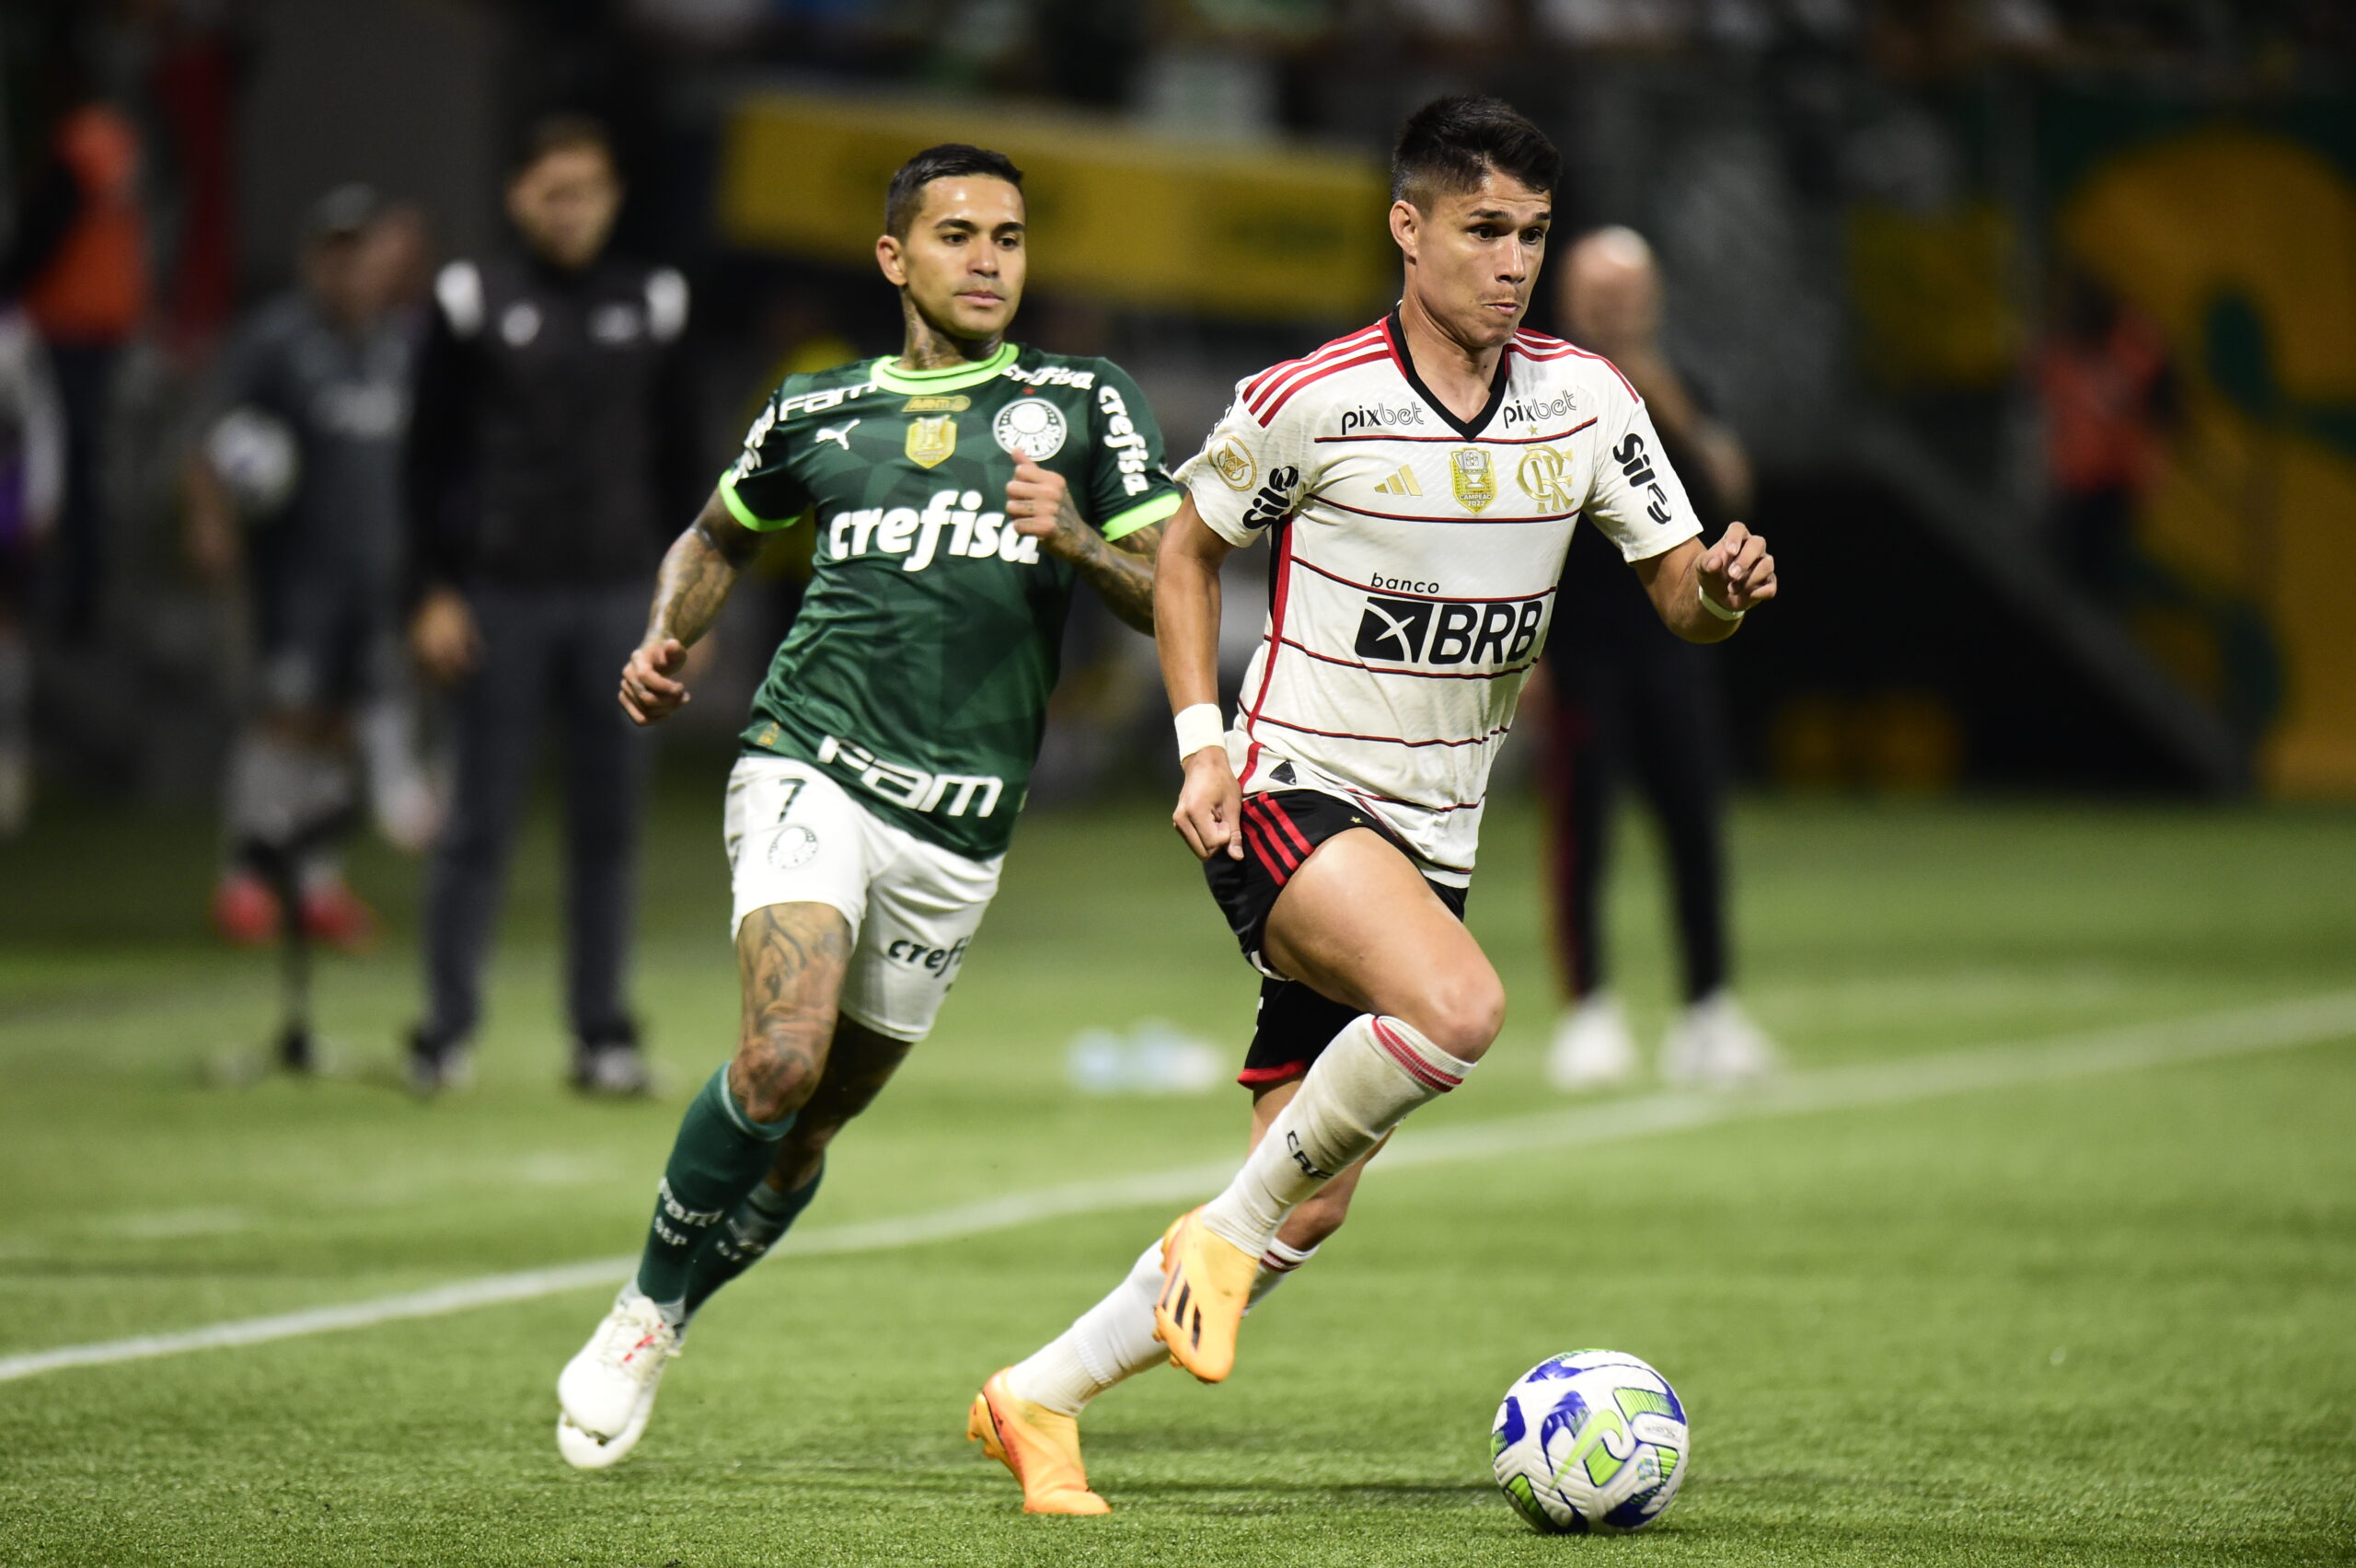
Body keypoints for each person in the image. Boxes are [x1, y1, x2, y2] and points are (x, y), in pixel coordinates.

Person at [969, 96, 1779, 1516]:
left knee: (1311, 1199)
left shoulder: (1588, 402)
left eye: (1532, 233)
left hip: (1434, 838)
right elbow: (1182, 553)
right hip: (1292, 792)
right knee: (1460, 1010)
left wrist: (1716, 591)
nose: (1512, 261)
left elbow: (1675, 596)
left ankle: (1034, 1398)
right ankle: (1216, 1239)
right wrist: (1202, 744)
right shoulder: (1312, 399)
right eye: (1484, 231)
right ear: (1409, 230)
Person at [549, 144, 1182, 1470]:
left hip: (960, 825)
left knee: (812, 1126)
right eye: (958, 236)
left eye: (1009, 236)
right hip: (811, 760)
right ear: (896, 258)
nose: (990, 260)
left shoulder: (1081, 401)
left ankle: (676, 1313)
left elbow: (1172, 579)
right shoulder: (818, 411)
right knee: (777, 1057)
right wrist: (672, 636)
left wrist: (1074, 540)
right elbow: (722, 532)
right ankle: (644, 1309)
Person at [402, 116, 700, 1095]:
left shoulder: (654, 302)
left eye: (587, 189)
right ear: (517, 195)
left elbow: (685, 473)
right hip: (502, 594)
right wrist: (430, 589)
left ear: (614, 197)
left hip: (619, 598)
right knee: (477, 818)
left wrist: (682, 615)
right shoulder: (469, 299)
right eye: (551, 190)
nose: (569, 209)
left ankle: (602, 1033)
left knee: (608, 824)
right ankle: (444, 1032)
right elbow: (425, 460)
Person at [1539, 226, 1781, 1090]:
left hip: (1674, 640)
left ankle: (1709, 1010)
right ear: (1570, 300)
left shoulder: (1678, 390)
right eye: (1600, 293)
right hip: (1578, 644)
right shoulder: (1542, 393)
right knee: (1582, 832)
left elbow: (1727, 485)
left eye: (1629, 293)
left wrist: (1652, 381)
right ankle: (1589, 1012)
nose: (1616, 307)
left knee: (1694, 825)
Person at [188, 186, 421, 957]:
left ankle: (314, 884)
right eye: (336, 252)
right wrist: (212, 518)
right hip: (296, 570)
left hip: (374, 571)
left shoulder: (399, 345)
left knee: (340, 725)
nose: (351, 268)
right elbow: (209, 439)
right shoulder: (277, 340)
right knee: (284, 717)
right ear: (314, 260)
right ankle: (247, 880)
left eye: (364, 252)